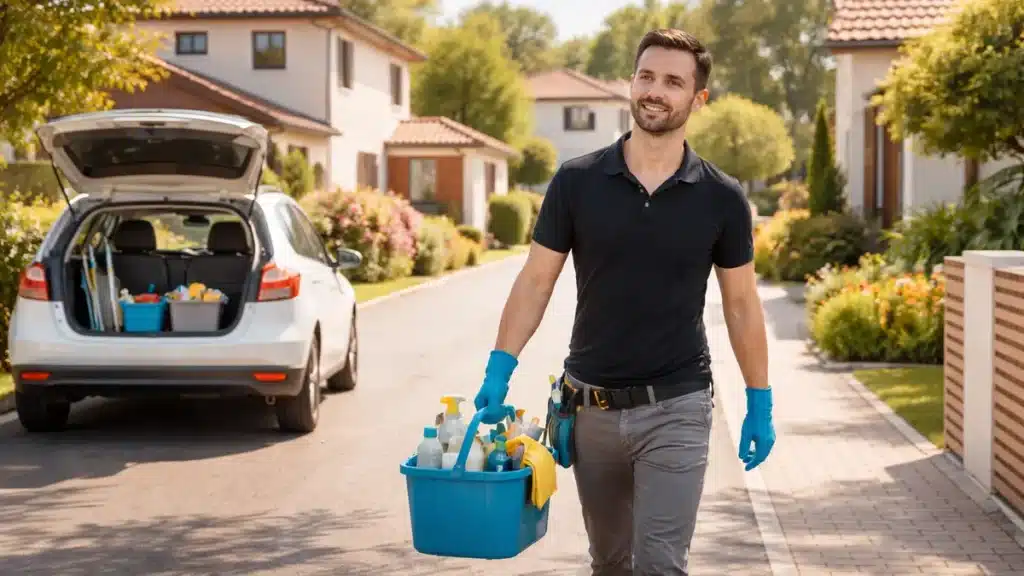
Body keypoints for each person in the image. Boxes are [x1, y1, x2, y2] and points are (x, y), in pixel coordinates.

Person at [474, 28, 776, 576]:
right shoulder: (577, 181)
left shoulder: (722, 197)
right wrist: (501, 366)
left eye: (673, 81)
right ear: (631, 83)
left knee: (660, 565)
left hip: (679, 406)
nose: (655, 90)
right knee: (610, 563)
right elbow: (537, 280)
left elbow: (740, 304)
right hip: (591, 409)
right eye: (646, 76)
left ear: (697, 99)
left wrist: (760, 398)